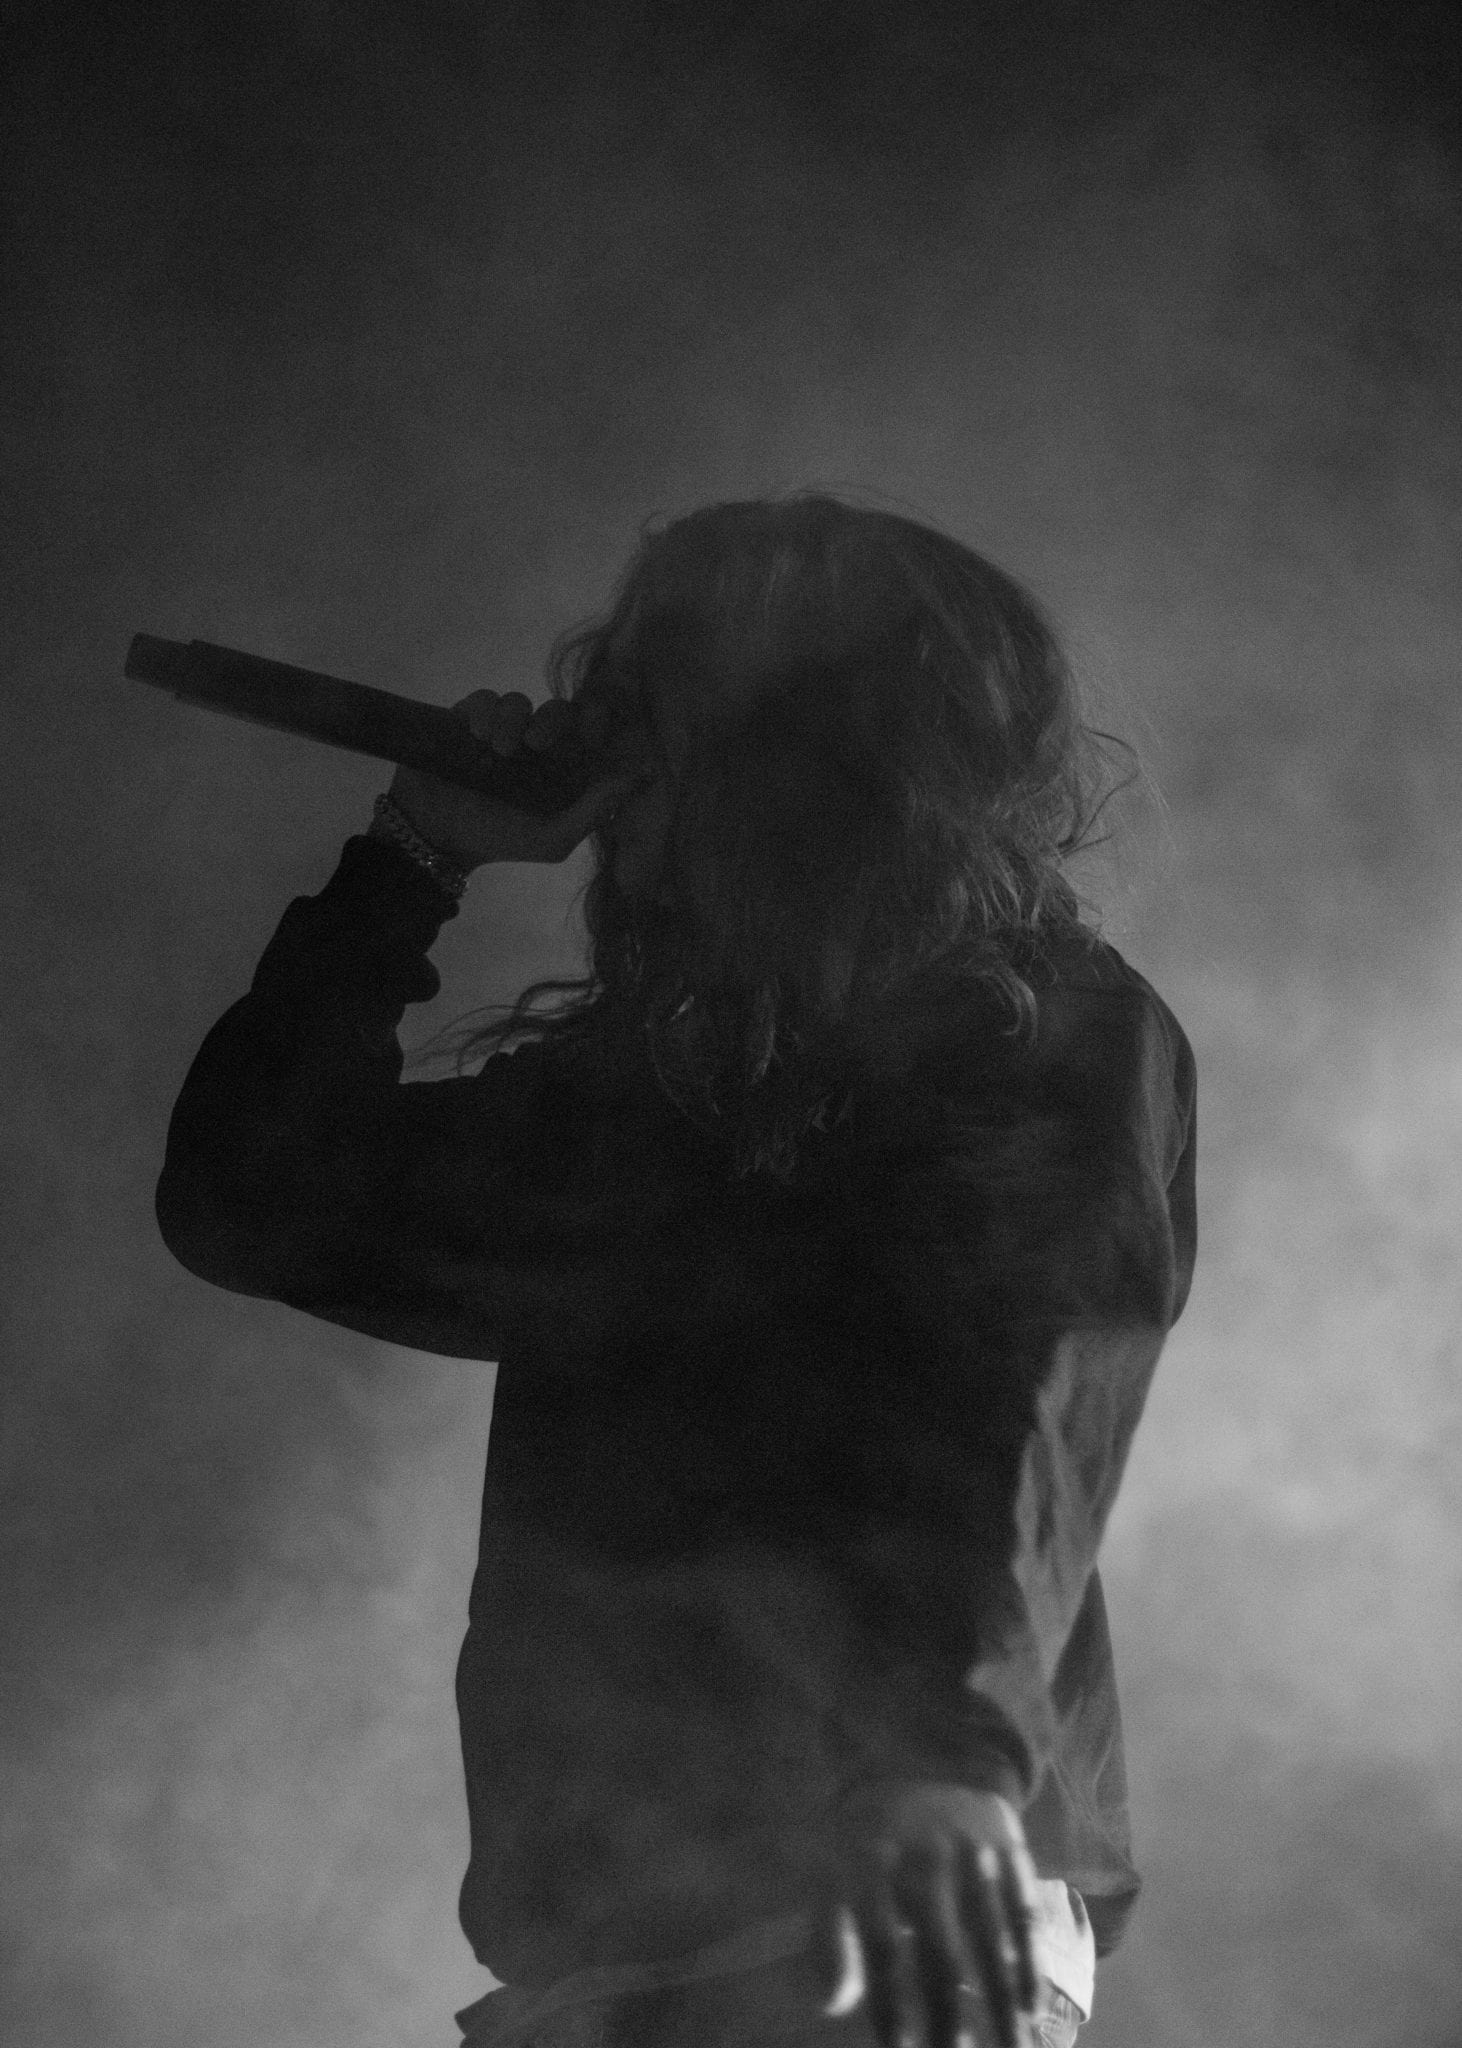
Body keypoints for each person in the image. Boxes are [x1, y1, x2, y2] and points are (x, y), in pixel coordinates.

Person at [155, 493, 1197, 2048]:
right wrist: (409, 859)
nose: (604, 740)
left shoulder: (1031, 1028)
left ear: (798, 748)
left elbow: (1018, 1386)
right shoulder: (642, 1104)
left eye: (652, 696)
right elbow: (250, 1204)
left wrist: (945, 1755)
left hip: (872, 1909)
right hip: (603, 1957)